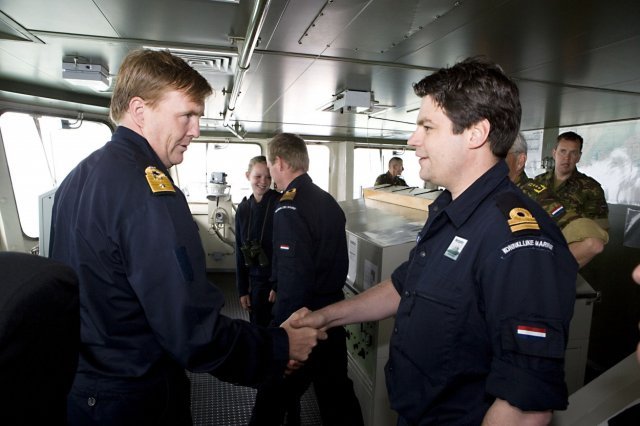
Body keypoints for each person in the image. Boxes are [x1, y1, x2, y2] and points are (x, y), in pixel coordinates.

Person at [291, 57, 578, 425]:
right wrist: (324, 317)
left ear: (476, 133)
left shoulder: (518, 242)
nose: (413, 139)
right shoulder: (449, 211)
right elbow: (403, 288)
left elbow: (525, 408)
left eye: (427, 126)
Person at [49, 49, 325, 425]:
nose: (196, 130)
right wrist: (280, 346)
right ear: (140, 110)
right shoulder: (149, 193)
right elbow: (193, 330)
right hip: (135, 398)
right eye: (187, 115)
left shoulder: (77, 178)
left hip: (82, 391)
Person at [249, 133, 364, 426]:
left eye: (271, 167)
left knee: (270, 398)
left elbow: (295, 279)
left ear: (280, 162)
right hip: (331, 314)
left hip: (303, 318)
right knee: (337, 395)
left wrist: (282, 334)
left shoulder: (289, 206)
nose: (271, 174)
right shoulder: (327, 201)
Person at [527, 131, 610, 267]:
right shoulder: (537, 183)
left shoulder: (591, 188)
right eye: (563, 151)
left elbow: (600, 232)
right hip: (535, 252)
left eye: (573, 153)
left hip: (569, 256)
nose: (567, 158)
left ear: (579, 157)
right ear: (554, 153)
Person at [235, 156, 278, 327]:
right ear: (248, 176)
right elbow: (239, 252)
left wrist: (278, 285)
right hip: (254, 282)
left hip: (274, 281)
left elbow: (286, 252)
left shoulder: (279, 204)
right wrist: (242, 290)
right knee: (257, 327)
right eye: (258, 176)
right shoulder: (243, 209)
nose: (263, 181)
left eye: (268, 177)